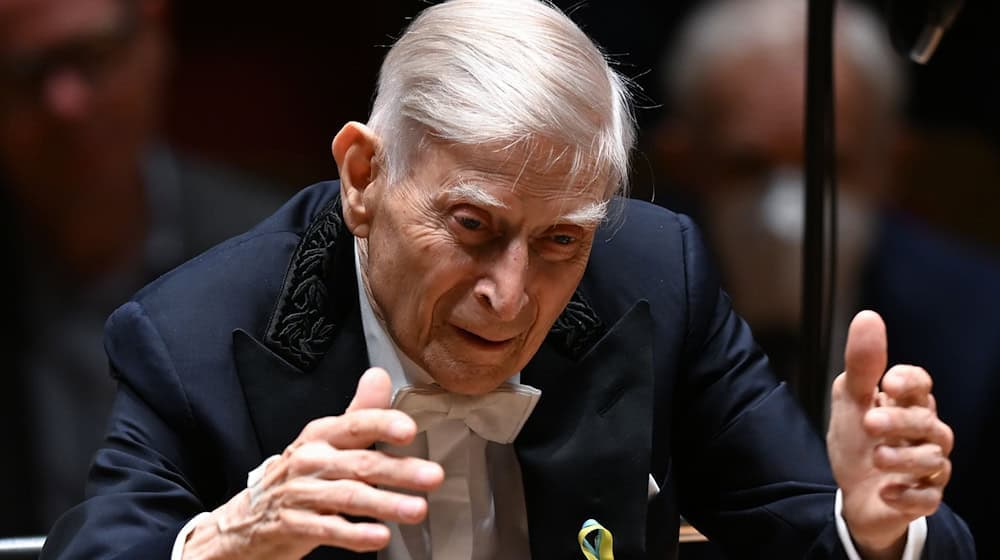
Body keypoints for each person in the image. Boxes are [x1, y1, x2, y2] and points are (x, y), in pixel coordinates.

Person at [41, 0, 973, 558]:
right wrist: (231, 540)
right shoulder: (197, 333)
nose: (511, 294)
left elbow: (811, 531)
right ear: (363, 177)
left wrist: (875, 528)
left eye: (561, 241)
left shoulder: (653, 280)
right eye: (473, 228)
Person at [654, 0, 1000, 555]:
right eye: (749, 166)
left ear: (896, 164)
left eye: (829, 165)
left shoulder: (983, 329)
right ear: (682, 160)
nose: (787, 214)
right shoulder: (627, 299)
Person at [0, 0, 286, 534]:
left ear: (156, 37)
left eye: (93, 54)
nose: (66, 101)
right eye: (24, 73)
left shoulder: (282, 258)